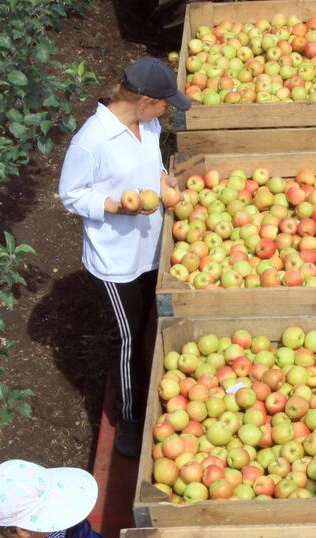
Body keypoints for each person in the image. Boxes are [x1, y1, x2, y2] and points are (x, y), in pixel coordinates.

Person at [58, 57, 192, 458]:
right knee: (127, 338)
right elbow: (71, 194)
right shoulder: (92, 140)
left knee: (148, 321)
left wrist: (163, 182)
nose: (168, 110)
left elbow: (149, 169)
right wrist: (116, 206)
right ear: (146, 99)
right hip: (116, 260)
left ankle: (148, 393)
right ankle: (129, 418)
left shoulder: (146, 125)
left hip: (150, 247)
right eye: (165, 102)